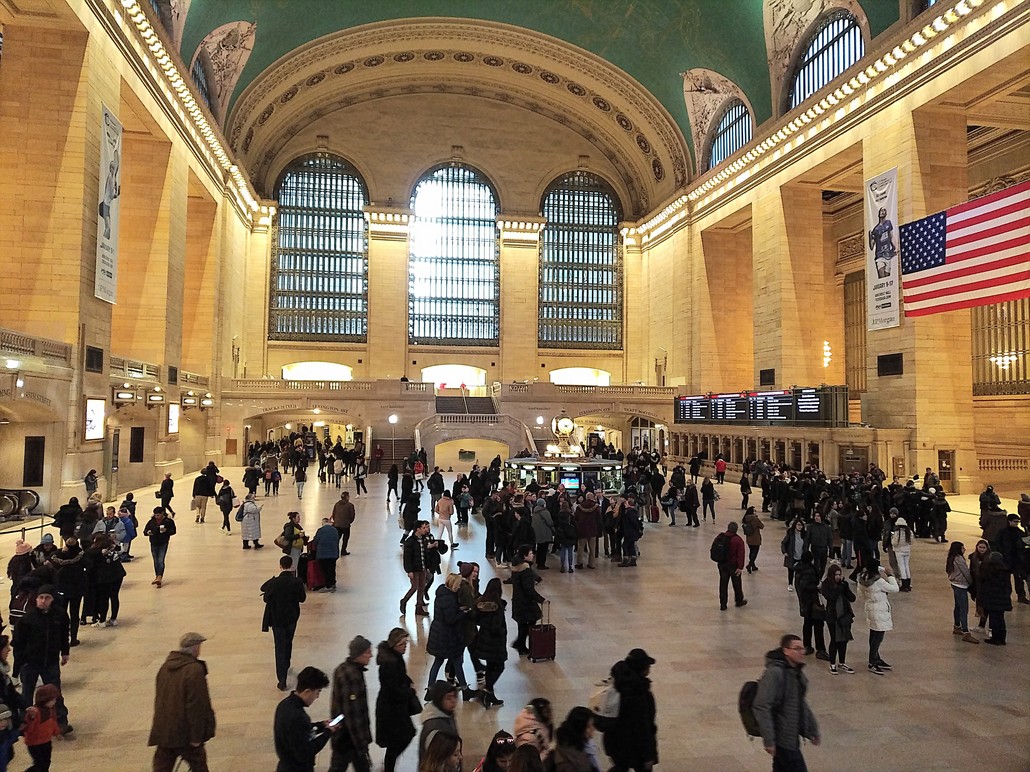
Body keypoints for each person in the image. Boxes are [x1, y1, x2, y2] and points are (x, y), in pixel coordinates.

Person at [148, 632, 216, 772]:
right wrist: (196, 736)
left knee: (162, 766)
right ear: (195, 648)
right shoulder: (194, 670)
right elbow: (196, 706)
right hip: (185, 733)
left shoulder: (165, 667)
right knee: (199, 766)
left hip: (165, 729)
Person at [751, 634, 821, 771]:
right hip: (782, 737)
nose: (802, 652)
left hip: (791, 735)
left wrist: (812, 729)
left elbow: (800, 703)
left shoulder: (795, 672)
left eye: (802, 649)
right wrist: (769, 739)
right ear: (786, 650)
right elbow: (761, 705)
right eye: (797, 649)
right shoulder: (775, 673)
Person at [13, 585, 71, 736]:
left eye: (47, 598)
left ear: (53, 599)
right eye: (41, 597)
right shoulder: (28, 619)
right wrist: (19, 665)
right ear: (36, 599)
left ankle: (60, 721)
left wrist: (65, 652)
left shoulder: (60, 615)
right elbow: (18, 643)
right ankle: (25, 723)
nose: (43, 601)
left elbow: (64, 634)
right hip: (30, 662)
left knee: (55, 692)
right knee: (27, 693)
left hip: (50, 661)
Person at [602, 648, 658, 772]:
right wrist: (649, 755)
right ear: (642, 669)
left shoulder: (616, 685)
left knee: (620, 767)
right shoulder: (640, 695)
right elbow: (643, 727)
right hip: (635, 746)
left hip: (615, 744)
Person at [274, 666, 336, 772]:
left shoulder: (284, 705)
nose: (317, 697)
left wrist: (321, 725)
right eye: (317, 692)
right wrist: (328, 732)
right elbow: (308, 750)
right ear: (307, 691)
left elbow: (300, 731)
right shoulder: (297, 716)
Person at [425, 574, 475, 701]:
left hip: (439, 634)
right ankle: (465, 690)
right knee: (457, 662)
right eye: (458, 585)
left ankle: (430, 689)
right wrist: (463, 612)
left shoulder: (442, 595)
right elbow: (451, 619)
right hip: (447, 637)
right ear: (453, 584)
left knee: (438, 662)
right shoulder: (449, 599)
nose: (459, 587)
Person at [261, 555, 307, 691]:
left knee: (279, 647)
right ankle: (286, 665)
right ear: (292, 565)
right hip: (292, 618)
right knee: (288, 642)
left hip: (277, 620)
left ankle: (282, 679)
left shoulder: (274, 582)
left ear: (280, 566)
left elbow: (265, 596)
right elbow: (302, 599)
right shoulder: (297, 582)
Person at [375, 629, 418, 772]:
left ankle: (388, 768)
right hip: (391, 710)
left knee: (397, 741)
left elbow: (400, 677)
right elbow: (393, 690)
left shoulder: (395, 657)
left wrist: (407, 681)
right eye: (402, 643)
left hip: (394, 708)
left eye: (406, 642)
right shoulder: (390, 663)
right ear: (394, 644)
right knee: (400, 739)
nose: (405, 646)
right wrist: (410, 691)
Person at [330, 635, 374, 771]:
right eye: (368, 652)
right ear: (358, 654)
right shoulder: (352, 676)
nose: (371, 655)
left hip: (343, 735)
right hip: (349, 738)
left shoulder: (342, 668)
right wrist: (362, 744)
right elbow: (352, 714)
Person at [856, 558, 899, 674]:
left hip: (870, 608)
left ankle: (876, 658)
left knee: (873, 634)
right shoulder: (878, 581)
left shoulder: (862, 578)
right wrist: (890, 575)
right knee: (878, 637)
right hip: (879, 609)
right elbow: (895, 589)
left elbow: (860, 594)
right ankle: (872, 662)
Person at [472, 577, 508, 708]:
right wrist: (502, 631)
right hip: (495, 643)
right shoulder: (497, 606)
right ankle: (487, 690)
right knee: (499, 667)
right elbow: (497, 626)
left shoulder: (481, 603)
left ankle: (490, 694)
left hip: (484, 640)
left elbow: (476, 619)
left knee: (490, 667)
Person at [820, 564, 856, 673]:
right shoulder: (826, 585)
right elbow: (831, 597)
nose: (838, 577)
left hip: (844, 615)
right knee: (835, 640)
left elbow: (852, 598)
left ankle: (842, 662)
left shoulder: (842, 585)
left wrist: (845, 587)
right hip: (833, 616)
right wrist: (840, 588)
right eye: (836, 575)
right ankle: (832, 663)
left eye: (839, 574)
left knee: (844, 640)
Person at [509, 546, 546, 655]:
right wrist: (541, 599)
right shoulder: (525, 570)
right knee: (529, 623)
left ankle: (520, 645)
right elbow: (528, 589)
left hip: (518, 600)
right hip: (526, 602)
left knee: (522, 624)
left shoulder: (517, 567)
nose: (533, 555)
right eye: (530, 554)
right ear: (525, 556)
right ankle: (522, 644)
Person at [793, 552, 827, 660]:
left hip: (805, 603)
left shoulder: (799, 570)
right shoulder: (808, 571)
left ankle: (807, 646)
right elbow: (806, 586)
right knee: (818, 625)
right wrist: (817, 587)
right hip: (812, 602)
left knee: (807, 624)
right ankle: (820, 649)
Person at [21, 683, 60, 771]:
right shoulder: (35, 712)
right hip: (35, 744)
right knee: (40, 764)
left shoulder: (50, 710)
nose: (54, 702)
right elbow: (29, 729)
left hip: (46, 741)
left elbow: (53, 722)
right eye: (52, 700)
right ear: (45, 699)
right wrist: (31, 718)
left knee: (46, 763)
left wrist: (57, 733)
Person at [946, 542, 979, 644]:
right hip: (961, 585)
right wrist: (971, 583)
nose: (964, 549)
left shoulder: (951, 558)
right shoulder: (959, 559)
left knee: (958, 606)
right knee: (964, 608)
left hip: (955, 583)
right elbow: (966, 572)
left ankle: (957, 626)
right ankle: (966, 632)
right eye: (962, 548)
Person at [419, 681, 459, 765]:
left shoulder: (447, 714)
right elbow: (435, 760)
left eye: (454, 697)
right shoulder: (434, 726)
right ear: (439, 699)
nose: (453, 701)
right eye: (448, 698)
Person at [552, 706, 600, 772]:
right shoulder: (568, 754)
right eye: (589, 726)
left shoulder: (584, 745)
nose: (593, 728)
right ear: (579, 728)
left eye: (593, 724)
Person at [979, 551, 1012, 645]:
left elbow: (985, 585)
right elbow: (1008, 588)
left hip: (992, 600)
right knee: (1000, 619)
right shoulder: (1005, 572)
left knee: (994, 620)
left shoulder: (989, 571)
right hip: (1002, 601)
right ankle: (1002, 638)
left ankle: (995, 638)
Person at [996, 514, 1029, 604]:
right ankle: (1006, 597)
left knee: (1019, 580)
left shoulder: (1020, 533)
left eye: (1018, 522)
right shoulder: (1002, 532)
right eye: (1015, 521)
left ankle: (1021, 596)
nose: (1016, 523)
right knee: (1006, 580)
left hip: (1017, 560)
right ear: (1009, 521)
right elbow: (998, 545)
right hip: (1006, 560)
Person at [401, 521, 432, 616]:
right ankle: (404, 601)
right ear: (418, 529)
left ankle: (419, 607)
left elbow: (425, 554)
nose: (425, 530)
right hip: (414, 569)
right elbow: (407, 557)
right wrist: (409, 570)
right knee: (415, 587)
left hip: (422, 567)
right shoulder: (410, 541)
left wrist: (427, 566)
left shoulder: (423, 539)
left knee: (422, 587)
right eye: (423, 528)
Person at [716, 521, 747, 611]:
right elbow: (741, 554)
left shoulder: (720, 537)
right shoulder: (738, 540)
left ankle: (723, 604)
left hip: (722, 564)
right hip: (733, 565)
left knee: (723, 584)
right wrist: (740, 567)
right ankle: (739, 600)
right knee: (737, 584)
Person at [143, 507, 177, 587]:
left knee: (160, 560)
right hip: (153, 542)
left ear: (162, 514)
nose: (156, 517)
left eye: (158, 515)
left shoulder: (168, 521)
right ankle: (158, 576)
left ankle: (159, 577)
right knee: (155, 561)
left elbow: (173, 531)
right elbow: (145, 531)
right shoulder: (151, 522)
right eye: (155, 515)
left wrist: (166, 531)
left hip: (163, 542)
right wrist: (148, 532)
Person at [311, 518, 341, 592]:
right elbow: (337, 539)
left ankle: (328, 586)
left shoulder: (321, 531)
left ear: (323, 523)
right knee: (332, 569)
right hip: (334, 553)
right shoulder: (335, 530)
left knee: (325, 571)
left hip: (323, 554)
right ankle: (333, 583)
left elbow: (315, 541)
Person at [781, 519, 806, 592]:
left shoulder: (804, 535)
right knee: (791, 571)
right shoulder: (790, 534)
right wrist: (784, 552)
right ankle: (790, 584)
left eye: (801, 525)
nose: (800, 527)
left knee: (800, 572)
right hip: (792, 555)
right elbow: (784, 543)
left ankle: (799, 584)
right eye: (798, 525)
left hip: (801, 556)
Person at [331, 492, 356, 556]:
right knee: (345, 538)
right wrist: (349, 521)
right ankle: (343, 550)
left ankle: (335, 550)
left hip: (337, 525)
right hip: (345, 525)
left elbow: (333, 514)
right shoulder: (350, 505)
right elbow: (352, 515)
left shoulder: (336, 504)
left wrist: (336, 521)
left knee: (337, 538)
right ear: (347, 497)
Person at [742, 506, 764, 573]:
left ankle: (753, 566)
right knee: (755, 552)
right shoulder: (755, 519)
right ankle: (750, 565)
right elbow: (762, 526)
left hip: (749, 538)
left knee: (751, 552)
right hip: (756, 538)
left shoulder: (745, 518)